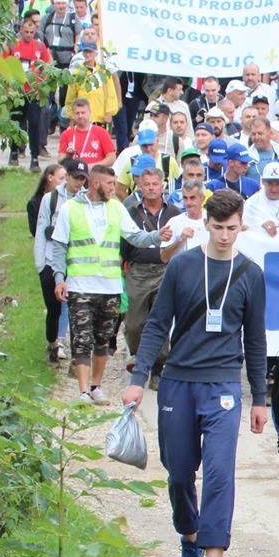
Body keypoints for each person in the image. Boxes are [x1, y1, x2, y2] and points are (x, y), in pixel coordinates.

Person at [121, 188, 269, 557]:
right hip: (178, 380)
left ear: (242, 226)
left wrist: (259, 397)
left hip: (222, 383)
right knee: (180, 471)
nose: (225, 236)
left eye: (232, 228)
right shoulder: (183, 266)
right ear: (205, 224)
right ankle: (189, 538)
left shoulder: (251, 274)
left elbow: (255, 339)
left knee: (220, 473)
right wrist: (139, 378)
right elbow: (156, 325)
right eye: (218, 227)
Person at [50, 163, 175, 402]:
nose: (114, 187)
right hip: (80, 284)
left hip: (110, 286)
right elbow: (58, 246)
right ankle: (84, 389)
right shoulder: (70, 209)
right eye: (109, 183)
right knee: (82, 337)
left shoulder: (117, 208)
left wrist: (157, 236)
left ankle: (96, 385)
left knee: (103, 338)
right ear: (96, 183)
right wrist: (59, 278)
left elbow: (134, 236)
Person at [121, 165, 184, 389]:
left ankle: (158, 367)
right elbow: (125, 243)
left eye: (155, 184)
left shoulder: (174, 212)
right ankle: (139, 355)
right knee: (135, 322)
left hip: (165, 271)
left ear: (162, 186)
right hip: (138, 270)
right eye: (146, 184)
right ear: (139, 185)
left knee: (161, 321)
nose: (150, 188)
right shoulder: (130, 211)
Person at [29, 161, 69, 362]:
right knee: (53, 307)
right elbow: (38, 232)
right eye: (62, 178)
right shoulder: (44, 201)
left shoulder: (79, 201)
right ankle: (53, 342)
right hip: (49, 260)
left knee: (69, 305)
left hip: (71, 263)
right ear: (50, 178)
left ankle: (64, 341)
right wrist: (41, 265)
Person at [5, 10, 52, 167]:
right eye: (26, 32)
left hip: (33, 92)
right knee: (16, 123)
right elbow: (3, 66)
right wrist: (8, 86)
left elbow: (47, 66)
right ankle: (14, 152)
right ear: (20, 30)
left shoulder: (39, 46)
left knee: (34, 124)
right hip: (17, 91)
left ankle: (34, 157)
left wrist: (41, 86)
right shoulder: (12, 45)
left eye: (32, 32)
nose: (29, 35)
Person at [58, 97, 116, 166]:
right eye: (77, 113)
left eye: (83, 113)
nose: (80, 116)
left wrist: (90, 167)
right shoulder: (66, 134)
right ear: (73, 115)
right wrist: (68, 156)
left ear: (90, 113)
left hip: (95, 173)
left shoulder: (102, 132)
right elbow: (60, 159)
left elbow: (111, 158)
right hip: (74, 174)